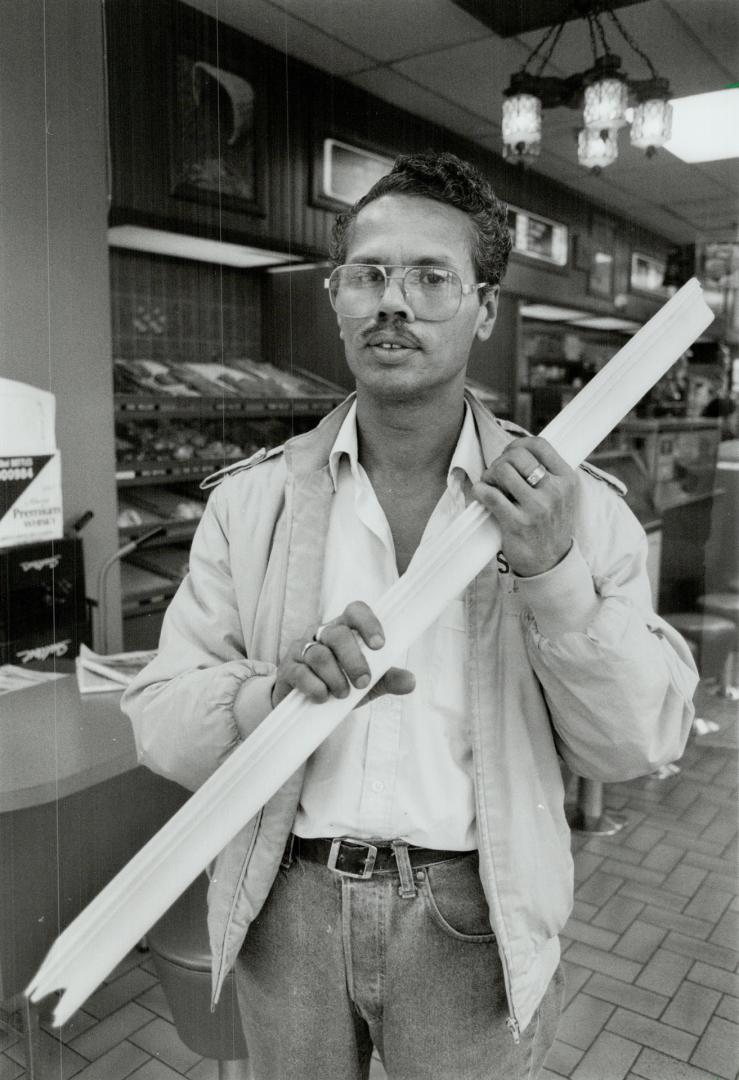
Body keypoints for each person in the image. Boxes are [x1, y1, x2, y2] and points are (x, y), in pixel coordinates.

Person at [122, 151, 697, 1079]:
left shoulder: (571, 508)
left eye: (432, 276)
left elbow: (636, 744)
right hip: (284, 907)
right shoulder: (251, 504)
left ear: (485, 307)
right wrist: (267, 700)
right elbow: (159, 721)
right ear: (335, 296)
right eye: (369, 274)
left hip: (474, 916)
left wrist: (551, 571)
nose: (395, 301)